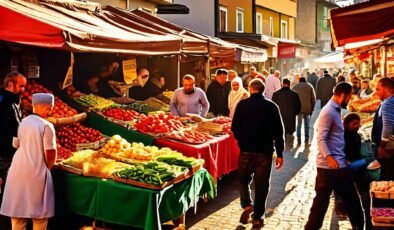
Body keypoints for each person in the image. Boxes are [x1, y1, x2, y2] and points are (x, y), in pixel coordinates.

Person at [305, 82, 365, 230]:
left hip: (338, 165)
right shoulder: (329, 112)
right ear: (343, 95)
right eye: (349, 97)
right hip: (330, 168)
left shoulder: (335, 110)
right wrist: (329, 157)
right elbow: (321, 138)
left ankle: (358, 226)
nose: (350, 100)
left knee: (347, 201)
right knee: (324, 203)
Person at [231, 78, 284, 229]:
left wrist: (242, 140)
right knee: (261, 185)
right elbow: (279, 132)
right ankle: (258, 217)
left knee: (242, 179)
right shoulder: (272, 106)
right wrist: (280, 153)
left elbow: (234, 127)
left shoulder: (242, 105)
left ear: (249, 89)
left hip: (246, 151)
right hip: (265, 152)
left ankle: (247, 204)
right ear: (263, 90)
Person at [1, 93, 57, 230]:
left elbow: (16, 144)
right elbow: (51, 152)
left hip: (17, 170)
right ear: (46, 107)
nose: (51, 111)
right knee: (39, 218)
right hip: (36, 172)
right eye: (50, 108)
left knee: (18, 217)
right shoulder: (47, 126)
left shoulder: (23, 122)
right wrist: (47, 168)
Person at [0, 72, 26, 229]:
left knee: (9, 195)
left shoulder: (15, 101)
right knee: (7, 194)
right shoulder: (3, 102)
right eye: (21, 86)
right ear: (10, 85)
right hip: (4, 155)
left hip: (11, 154)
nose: (23, 89)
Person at [371, 77, 394, 180]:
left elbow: (388, 126)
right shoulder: (388, 101)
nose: (375, 93)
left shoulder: (388, 103)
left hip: (388, 146)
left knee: (387, 174)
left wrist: (382, 146)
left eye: (377, 89)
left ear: (385, 89)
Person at [272, 79, 301, 144]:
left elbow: (272, 106)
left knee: (280, 131)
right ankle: (289, 144)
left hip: (279, 116)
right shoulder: (294, 94)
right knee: (290, 132)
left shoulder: (276, 94)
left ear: (282, 84)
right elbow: (298, 106)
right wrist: (294, 113)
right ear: (289, 84)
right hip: (291, 117)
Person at [292, 76, 316, 145]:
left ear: (299, 81)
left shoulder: (295, 87)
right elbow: (313, 99)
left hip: (298, 109)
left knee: (298, 124)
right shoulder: (309, 86)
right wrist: (312, 109)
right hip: (307, 108)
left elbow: (292, 99)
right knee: (307, 124)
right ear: (305, 80)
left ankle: (299, 139)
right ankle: (306, 138)